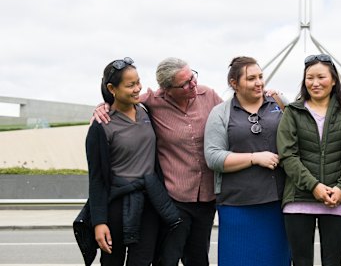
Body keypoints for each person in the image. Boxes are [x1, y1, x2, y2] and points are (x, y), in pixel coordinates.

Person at [93, 57, 222, 266]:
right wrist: (103, 105)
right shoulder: (152, 102)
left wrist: (273, 96)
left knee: (198, 259)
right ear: (167, 89)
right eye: (185, 83)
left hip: (206, 198)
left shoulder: (209, 96)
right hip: (173, 198)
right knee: (165, 259)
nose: (193, 85)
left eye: (193, 77)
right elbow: (123, 98)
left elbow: (232, 117)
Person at [85, 58, 181, 265]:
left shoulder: (146, 111)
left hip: (149, 201)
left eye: (138, 82)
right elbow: (96, 178)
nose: (138, 88)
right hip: (116, 205)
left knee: (143, 261)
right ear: (112, 88)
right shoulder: (101, 126)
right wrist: (99, 222)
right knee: (112, 261)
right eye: (130, 85)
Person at [204, 56, 290, 266]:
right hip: (236, 205)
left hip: (278, 203)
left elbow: (310, 118)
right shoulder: (220, 113)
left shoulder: (278, 104)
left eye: (260, 77)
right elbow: (213, 157)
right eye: (251, 78)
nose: (259, 82)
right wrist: (254, 158)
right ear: (234, 83)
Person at [276, 54, 341, 266]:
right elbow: (288, 155)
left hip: (337, 201)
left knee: (333, 262)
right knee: (301, 262)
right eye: (309, 78)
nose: (315, 83)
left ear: (333, 80)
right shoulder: (293, 112)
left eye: (321, 77)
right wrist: (314, 186)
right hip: (298, 200)